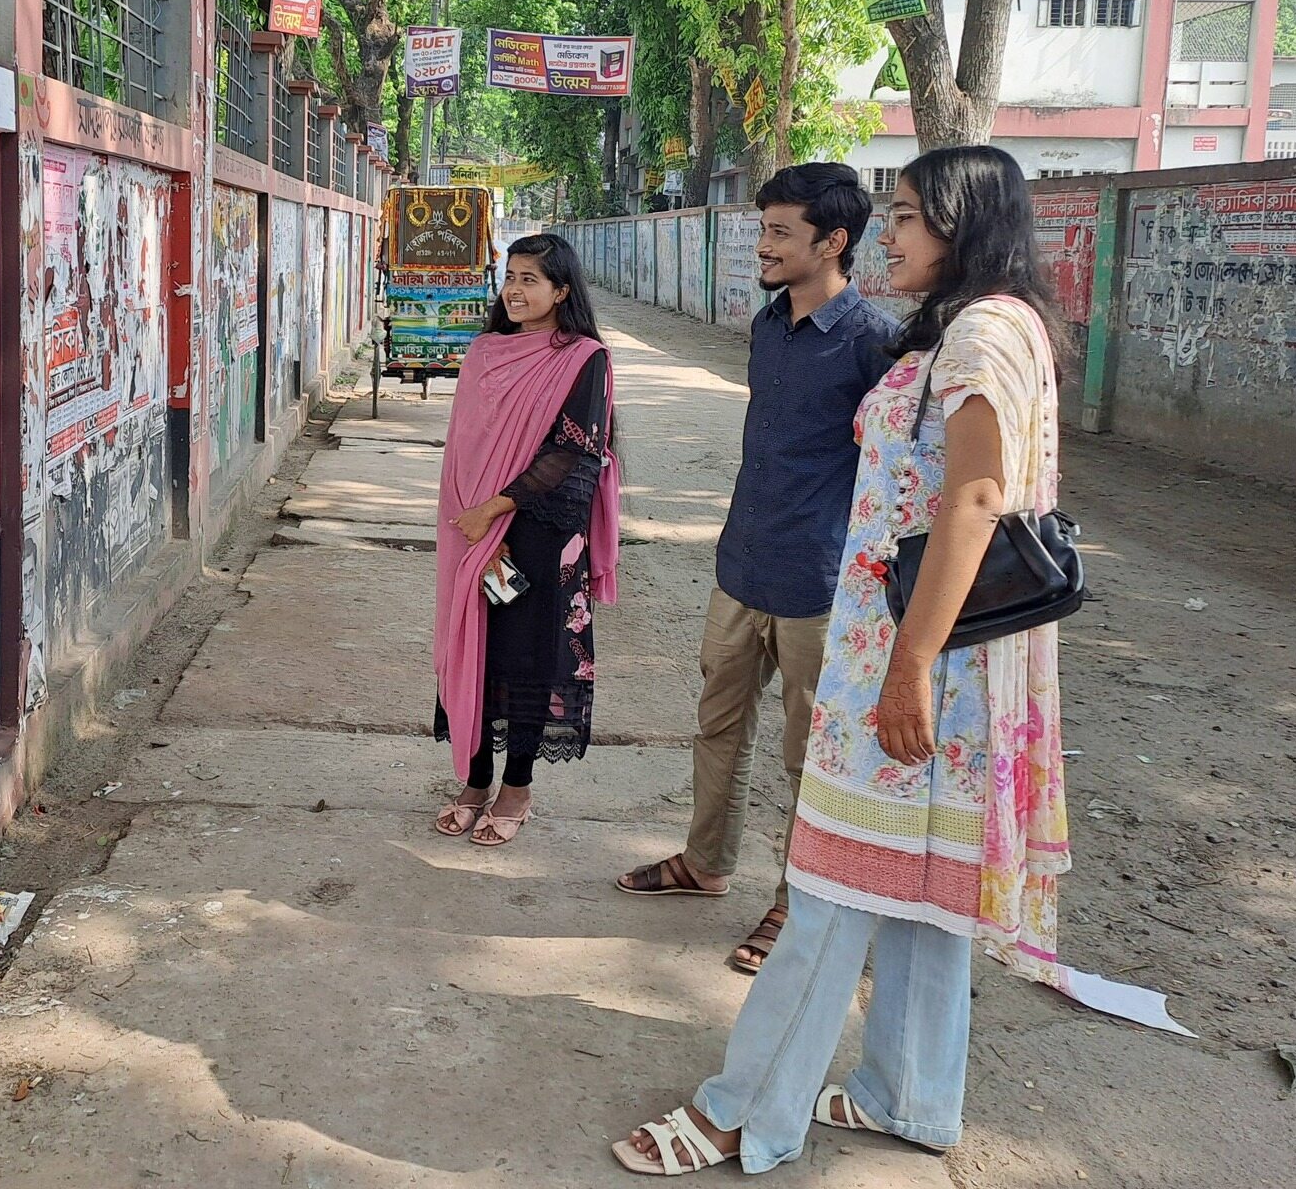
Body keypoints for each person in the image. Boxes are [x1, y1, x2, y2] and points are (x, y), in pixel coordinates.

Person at [613, 145, 1072, 1175]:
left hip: (914, 670)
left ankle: (744, 1110)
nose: (889, 235)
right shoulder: (970, 328)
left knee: (825, 889)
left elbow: (972, 502)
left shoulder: (981, 333)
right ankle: (905, 1094)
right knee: (917, 893)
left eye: (906, 215)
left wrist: (906, 667)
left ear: (961, 226)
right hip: (927, 664)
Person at [616, 163, 895, 976]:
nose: (761, 245)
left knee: (809, 754)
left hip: (821, 582)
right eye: (760, 229)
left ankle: (796, 900)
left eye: (779, 232)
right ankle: (705, 864)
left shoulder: (874, 344)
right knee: (718, 728)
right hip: (741, 566)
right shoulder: (767, 327)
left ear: (832, 242)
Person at [433, 234, 620, 848]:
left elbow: (574, 452)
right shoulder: (485, 352)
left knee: (527, 655)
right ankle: (474, 779)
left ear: (562, 291)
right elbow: (464, 443)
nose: (514, 289)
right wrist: (470, 514)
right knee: (477, 649)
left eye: (531, 279)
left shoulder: (584, 358)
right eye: (510, 276)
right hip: (473, 528)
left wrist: (495, 510)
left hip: (539, 532)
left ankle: (516, 786)